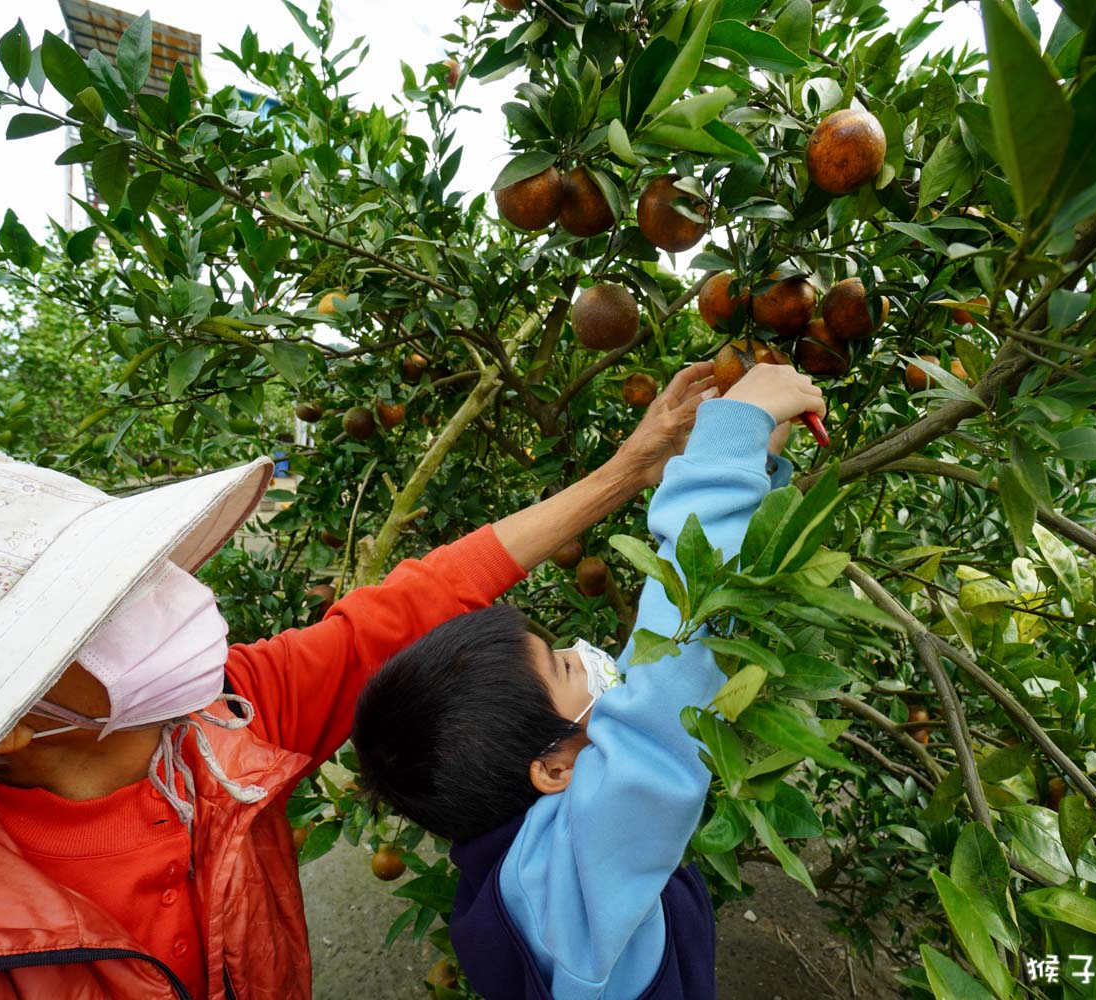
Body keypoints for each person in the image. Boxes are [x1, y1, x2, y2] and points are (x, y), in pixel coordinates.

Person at [0, 364, 714, 1000]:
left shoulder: (230, 717)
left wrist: (628, 469)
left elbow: (412, 604)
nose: (169, 600)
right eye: (97, 613)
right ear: (7, 717)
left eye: (140, 578)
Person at [352, 363, 826, 1000]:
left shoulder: (523, 852)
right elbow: (665, 688)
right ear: (550, 769)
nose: (591, 656)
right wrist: (725, 443)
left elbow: (655, 675)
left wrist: (753, 469)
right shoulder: (570, 882)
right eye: (566, 667)